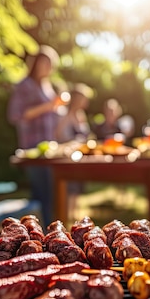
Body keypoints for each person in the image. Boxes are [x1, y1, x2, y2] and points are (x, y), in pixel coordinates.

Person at [7, 45, 68, 226]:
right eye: (45, 63)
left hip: (49, 148)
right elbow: (16, 115)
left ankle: (47, 230)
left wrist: (59, 108)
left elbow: (52, 115)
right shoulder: (25, 85)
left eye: (51, 64)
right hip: (33, 148)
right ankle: (42, 233)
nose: (48, 67)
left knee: (50, 192)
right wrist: (49, 106)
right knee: (42, 194)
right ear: (35, 64)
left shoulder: (47, 86)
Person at [55, 82, 94, 218]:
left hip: (80, 157)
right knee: (68, 189)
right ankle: (65, 217)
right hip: (67, 158)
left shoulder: (81, 115)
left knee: (77, 189)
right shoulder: (64, 113)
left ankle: (73, 217)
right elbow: (58, 134)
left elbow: (86, 135)